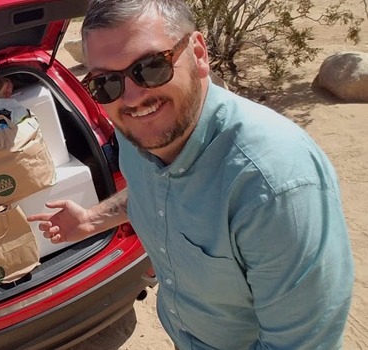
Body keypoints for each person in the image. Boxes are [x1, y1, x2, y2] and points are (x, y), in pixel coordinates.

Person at [27, 0, 354, 348]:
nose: (134, 97)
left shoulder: (273, 185)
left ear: (198, 53)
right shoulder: (138, 132)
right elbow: (151, 186)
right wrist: (92, 220)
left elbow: (302, 343)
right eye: (106, 83)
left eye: (151, 66)